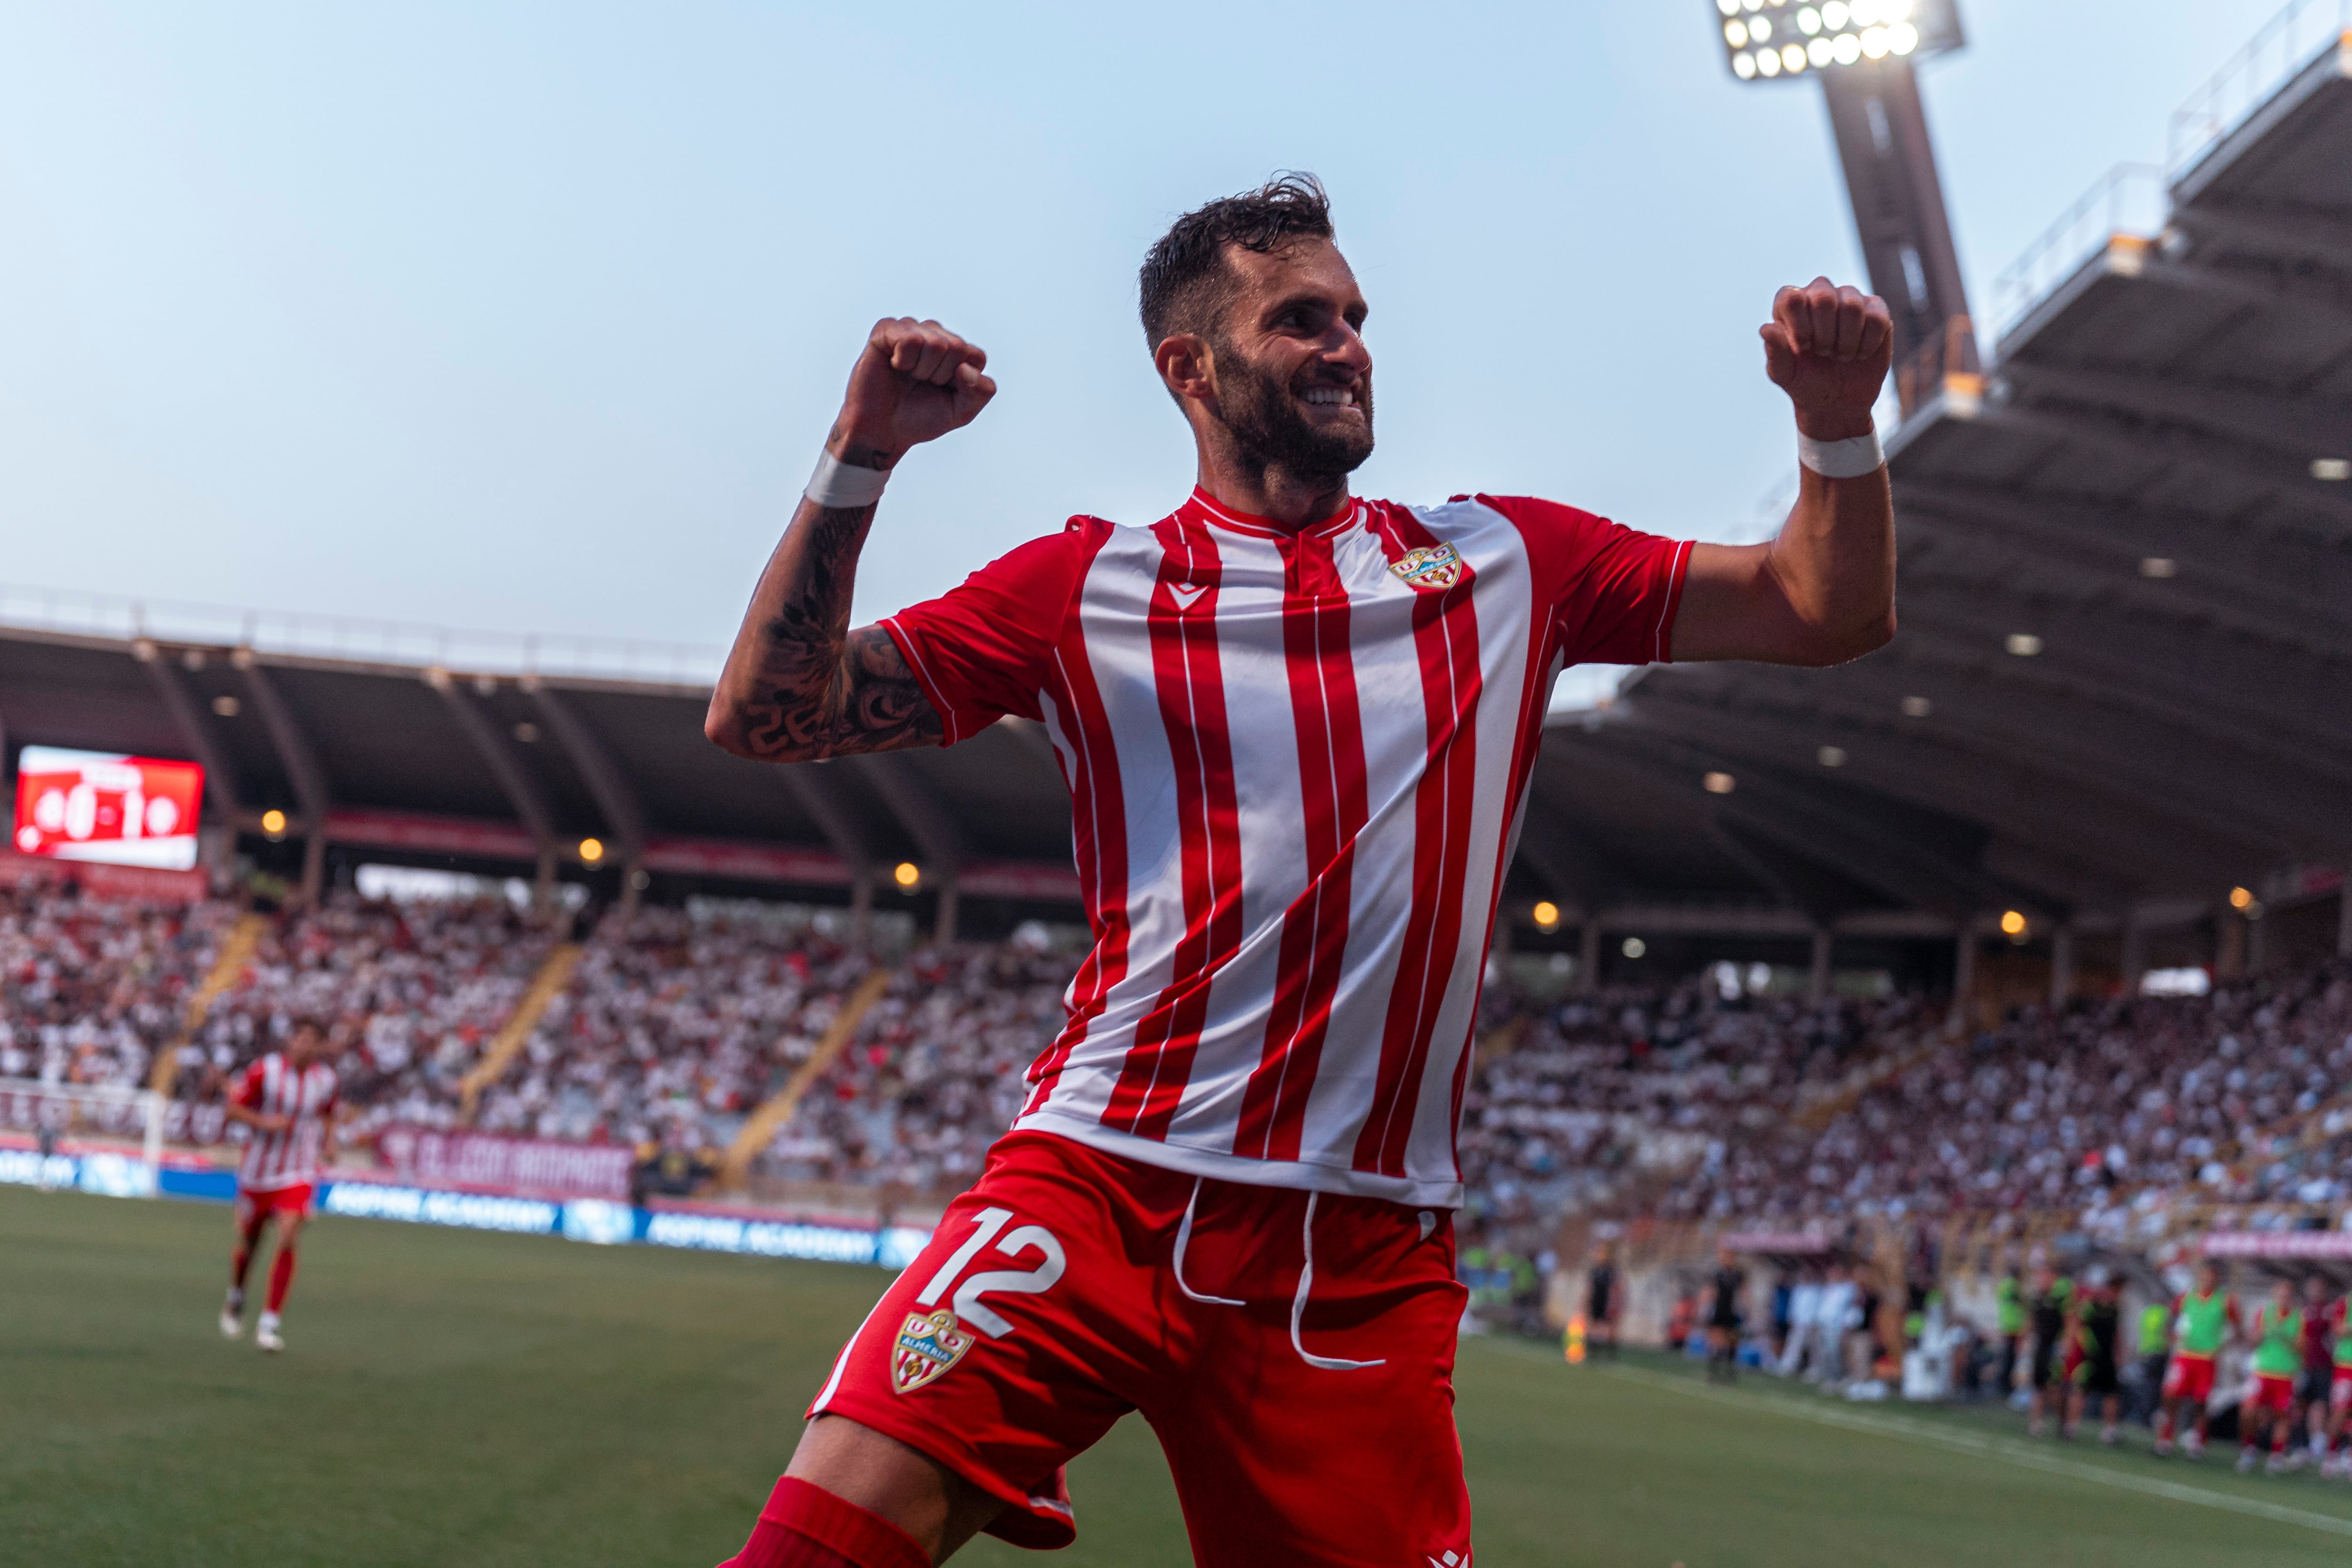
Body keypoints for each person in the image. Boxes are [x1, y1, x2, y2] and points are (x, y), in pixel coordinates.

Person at [702, 173, 1898, 1568]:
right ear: (1189, 369)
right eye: (1300, 320)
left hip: (1357, 1265)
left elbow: (1822, 609)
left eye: (1354, 317)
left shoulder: (1507, 563)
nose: (1346, 345)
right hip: (1094, 1194)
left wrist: (1834, 420)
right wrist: (862, 451)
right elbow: (765, 714)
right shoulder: (1081, 590)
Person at [218, 1018, 341, 1353]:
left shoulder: (326, 1080)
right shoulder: (265, 1071)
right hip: (258, 1171)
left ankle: (269, 1323)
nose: (304, 1044)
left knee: (288, 1236)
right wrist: (264, 1122)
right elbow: (233, 1109)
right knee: (251, 1243)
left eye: (311, 1040)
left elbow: (329, 1113)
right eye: (300, 1037)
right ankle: (237, 1295)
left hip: (298, 1170)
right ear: (291, 1040)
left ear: (319, 1046)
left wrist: (330, 1142)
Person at [2155, 1260, 2238, 1459]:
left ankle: (2197, 1441)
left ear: (2217, 1279)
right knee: (2171, 1396)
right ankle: (2166, 1438)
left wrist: (2223, 1345)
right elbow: (2171, 1316)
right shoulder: (2186, 1296)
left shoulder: (2225, 1301)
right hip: (2184, 1355)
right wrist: (2170, 1337)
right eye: (2205, 1275)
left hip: (2207, 1359)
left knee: (2201, 1401)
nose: (2207, 1280)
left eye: (2212, 1276)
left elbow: (2236, 1328)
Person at [2242, 1277, 2305, 1474]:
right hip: (2262, 1371)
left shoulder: (2299, 1318)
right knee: (2249, 1411)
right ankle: (2249, 1448)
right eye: (2280, 1294)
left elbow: (2303, 1348)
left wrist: (2286, 1337)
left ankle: (2276, 1455)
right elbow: (2252, 1341)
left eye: (2287, 1295)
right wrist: (2258, 1336)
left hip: (2285, 1374)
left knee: (2282, 1415)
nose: (2283, 1298)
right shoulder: (2264, 1314)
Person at [2066, 1269, 2122, 1445]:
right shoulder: (2090, 1305)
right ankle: (2071, 1426)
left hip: (2107, 1357)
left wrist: (2120, 1353)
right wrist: (2076, 1346)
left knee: (2111, 1393)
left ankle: (2110, 1431)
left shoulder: (2114, 1308)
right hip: (2090, 1357)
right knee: (2080, 1390)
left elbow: (2116, 1334)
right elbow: (2077, 1326)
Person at [2025, 1264, 2074, 1438]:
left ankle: (2063, 1422)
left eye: (2045, 1276)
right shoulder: (2036, 1298)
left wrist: (2066, 1344)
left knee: (2056, 1388)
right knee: (2038, 1385)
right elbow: (2031, 1323)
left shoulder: (2061, 1299)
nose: (2041, 1280)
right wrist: (2026, 1343)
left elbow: (2070, 1323)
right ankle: (2037, 1422)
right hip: (2041, 1346)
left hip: (2055, 1347)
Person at [2299, 1274, 2340, 1470]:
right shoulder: (2303, 1310)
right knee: (2303, 1405)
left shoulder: (2329, 1310)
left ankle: (2319, 1443)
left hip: (2324, 1365)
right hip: (2304, 1365)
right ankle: (2307, 1442)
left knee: (2321, 1405)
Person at [1707, 1244, 1747, 1384]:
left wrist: (1745, 1310)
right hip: (1719, 1310)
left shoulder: (1738, 1275)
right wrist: (1706, 1308)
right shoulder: (1718, 1273)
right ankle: (1714, 1374)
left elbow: (1743, 1293)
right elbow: (1712, 1292)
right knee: (1716, 1343)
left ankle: (1729, 1375)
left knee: (1732, 1344)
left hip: (1732, 1312)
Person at [1995, 1267, 2026, 1403]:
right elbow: (2022, 1302)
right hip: (2014, 1326)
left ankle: (2004, 1384)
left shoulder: (2003, 1285)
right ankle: (2007, 1385)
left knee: (2007, 1356)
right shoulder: (2014, 1286)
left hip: (2006, 1325)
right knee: (2011, 1357)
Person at [1586, 1242, 1621, 1360]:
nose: (1600, 1255)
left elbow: (1617, 1288)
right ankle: (1594, 1354)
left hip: (1608, 1302)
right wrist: (1587, 1302)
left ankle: (1611, 1356)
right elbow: (1591, 1287)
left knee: (1610, 1328)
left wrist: (1614, 1305)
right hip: (1597, 1301)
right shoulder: (1596, 1270)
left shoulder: (1612, 1271)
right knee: (1594, 1326)